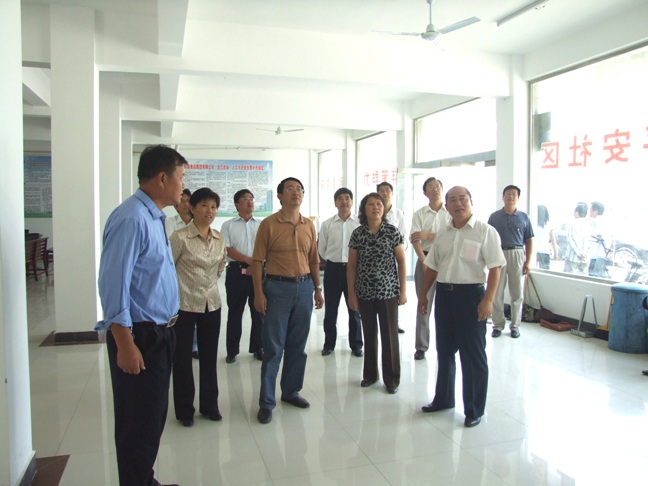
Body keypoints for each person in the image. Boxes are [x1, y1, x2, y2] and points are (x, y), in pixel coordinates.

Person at [96, 144, 187, 486]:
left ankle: (143, 480)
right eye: (180, 178)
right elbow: (112, 285)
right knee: (137, 425)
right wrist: (125, 343)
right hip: (140, 336)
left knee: (151, 419)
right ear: (162, 178)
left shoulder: (153, 217)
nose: (183, 186)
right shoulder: (131, 218)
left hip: (159, 332)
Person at [418, 186, 505, 428]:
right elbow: (433, 266)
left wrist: (488, 300)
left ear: (471, 201)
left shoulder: (485, 231)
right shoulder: (443, 233)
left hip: (471, 297)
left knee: (472, 354)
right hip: (445, 296)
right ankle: (444, 398)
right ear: (446, 206)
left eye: (463, 199)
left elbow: (496, 267)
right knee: (444, 351)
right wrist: (424, 294)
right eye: (453, 200)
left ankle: (474, 409)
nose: (458, 204)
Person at [252, 177, 324, 424]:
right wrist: (259, 293)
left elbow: (314, 260)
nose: (296, 193)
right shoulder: (269, 224)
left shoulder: (308, 225)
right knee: (273, 347)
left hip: (304, 288)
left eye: (299, 189)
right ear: (280, 196)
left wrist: (317, 288)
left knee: (297, 346)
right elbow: (257, 261)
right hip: (277, 289)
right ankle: (266, 402)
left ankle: (291, 391)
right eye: (290, 189)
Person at [169, 187, 227, 427]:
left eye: (213, 207)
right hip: (184, 305)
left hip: (211, 304)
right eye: (204, 205)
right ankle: (185, 410)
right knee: (182, 359)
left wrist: (207, 284)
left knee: (209, 357)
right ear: (192, 208)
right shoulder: (180, 237)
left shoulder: (219, 238)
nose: (209, 211)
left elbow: (221, 266)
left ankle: (210, 405)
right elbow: (167, 269)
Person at [347, 192, 407, 394]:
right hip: (364, 292)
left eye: (379, 204)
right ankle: (370, 375)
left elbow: (402, 261)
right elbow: (352, 266)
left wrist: (403, 290)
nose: (376, 207)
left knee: (389, 336)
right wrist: (352, 293)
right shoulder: (358, 234)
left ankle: (392, 379)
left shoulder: (392, 231)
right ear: (364, 209)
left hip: (388, 292)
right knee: (369, 334)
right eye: (371, 204)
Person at [318, 187, 363, 357]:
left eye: (347, 198)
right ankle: (329, 344)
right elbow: (322, 250)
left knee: (355, 309)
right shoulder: (327, 224)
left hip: (355, 270)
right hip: (333, 270)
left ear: (352, 202)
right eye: (340, 199)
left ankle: (356, 345)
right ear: (335, 203)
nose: (344, 201)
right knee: (331, 310)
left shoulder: (360, 223)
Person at [220, 189, 264, 363]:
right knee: (235, 312)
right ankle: (232, 351)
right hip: (236, 273)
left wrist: (255, 263)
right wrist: (248, 260)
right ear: (237, 205)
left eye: (251, 198)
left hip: (258, 272)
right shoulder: (228, 225)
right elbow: (227, 248)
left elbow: (266, 247)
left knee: (259, 311)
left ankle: (258, 347)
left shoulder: (261, 224)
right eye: (245, 199)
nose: (250, 201)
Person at [410, 177, 450, 360]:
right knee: (423, 303)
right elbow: (415, 239)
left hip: (447, 260)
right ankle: (421, 346)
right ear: (425, 192)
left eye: (438, 186)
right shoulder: (419, 214)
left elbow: (452, 234)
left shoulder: (450, 212)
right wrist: (424, 261)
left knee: (447, 305)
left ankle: (446, 345)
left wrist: (428, 235)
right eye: (431, 187)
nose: (435, 189)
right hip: (425, 258)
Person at [487, 185, 534, 339]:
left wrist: (528, 262)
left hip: (517, 253)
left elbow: (529, 240)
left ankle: (515, 326)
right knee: (497, 292)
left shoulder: (524, 217)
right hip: (498, 253)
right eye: (508, 194)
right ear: (503, 197)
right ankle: (497, 325)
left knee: (517, 292)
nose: (511, 197)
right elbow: (488, 239)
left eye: (514, 194)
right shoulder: (494, 217)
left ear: (518, 198)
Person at [164, 188, 200, 359]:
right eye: (182, 200)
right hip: (175, 274)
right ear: (176, 205)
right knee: (178, 311)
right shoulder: (169, 223)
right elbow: (168, 248)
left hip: (196, 275)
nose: (185, 204)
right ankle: (177, 345)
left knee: (196, 311)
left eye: (188, 200)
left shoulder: (198, 223)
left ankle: (194, 346)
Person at [377, 181, 408, 333]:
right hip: (376, 257)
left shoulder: (398, 214)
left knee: (393, 289)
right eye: (382, 190)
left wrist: (398, 251)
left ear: (392, 193)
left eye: (387, 190)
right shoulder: (375, 210)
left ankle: (394, 321)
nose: (385, 193)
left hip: (394, 256)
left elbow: (403, 236)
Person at [564, 202, 590, 275]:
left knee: (568, 276)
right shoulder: (589, 225)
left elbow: (570, 240)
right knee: (583, 277)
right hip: (585, 257)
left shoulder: (572, 224)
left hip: (572, 256)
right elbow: (589, 242)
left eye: (574, 211)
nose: (573, 213)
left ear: (577, 212)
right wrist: (584, 254)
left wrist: (579, 253)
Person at [588, 201, 609, 277]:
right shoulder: (602, 221)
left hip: (596, 255)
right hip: (599, 255)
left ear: (595, 211)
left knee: (593, 276)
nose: (589, 212)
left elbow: (600, 236)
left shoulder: (597, 221)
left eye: (591, 210)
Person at [535, 204, 558, 270]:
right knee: (544, 272)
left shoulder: (533, 223)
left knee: (533, 272)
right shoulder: (549, 224)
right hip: (544, 251)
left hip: (534, 251)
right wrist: (556, 253)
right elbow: (553, 240)